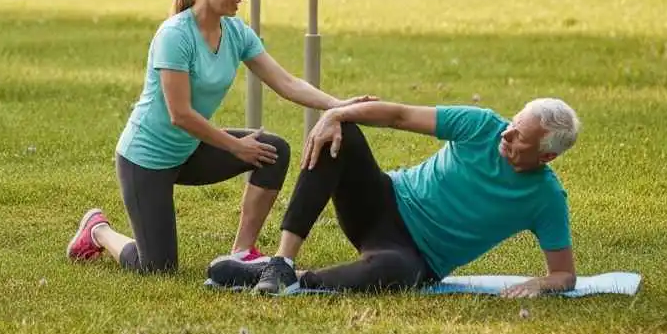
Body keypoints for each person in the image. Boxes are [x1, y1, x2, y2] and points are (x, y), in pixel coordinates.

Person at [66, 0, 366, 274]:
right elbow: (179, 114)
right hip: (146, 160)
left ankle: (241, 252)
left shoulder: (236, 32)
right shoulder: (175, 35)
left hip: (189, 151)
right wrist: (237, 146)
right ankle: (98, 230)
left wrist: (337, 105)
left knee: (272, 151)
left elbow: (286, 83)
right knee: (157, 268)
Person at [207, 97, 581, 298]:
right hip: (382, 203)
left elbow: (564, 273)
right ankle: (281, 262)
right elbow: (399, 115)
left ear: (547, 156)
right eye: (512, 125)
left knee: (398, 274)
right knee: (342, 134)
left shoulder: (545, 197)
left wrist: (541, 284)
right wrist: (336, 113)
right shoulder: (482, 125)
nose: (507, 136)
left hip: (413, 255)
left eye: (519, 139)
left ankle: (297, 280)